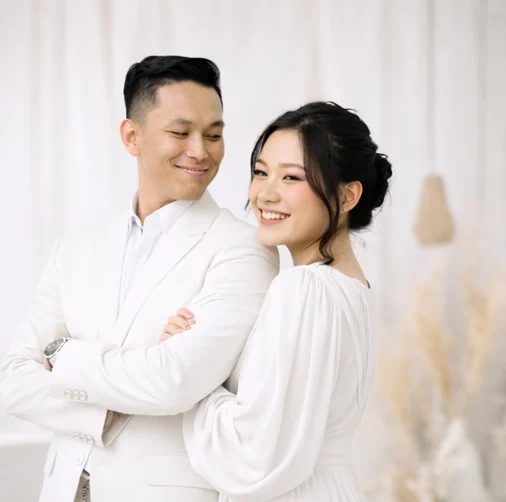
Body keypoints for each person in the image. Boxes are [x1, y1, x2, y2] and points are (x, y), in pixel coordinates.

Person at [0, 56, 279, 502]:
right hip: (60, 488)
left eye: (213, 135)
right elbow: (13, 380)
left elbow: (175, 381)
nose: (200, 151)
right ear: (132, 136)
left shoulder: (244, 248)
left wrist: (62, 354)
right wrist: (106, 413)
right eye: (180, 133)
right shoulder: (76, 249)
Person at [162, 101, 392, 501]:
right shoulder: (355, 288)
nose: (265, 194)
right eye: (260, 172)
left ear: (347, 195)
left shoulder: (304, 288)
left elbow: (255, 456)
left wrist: (193, 371)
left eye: (291, 177)